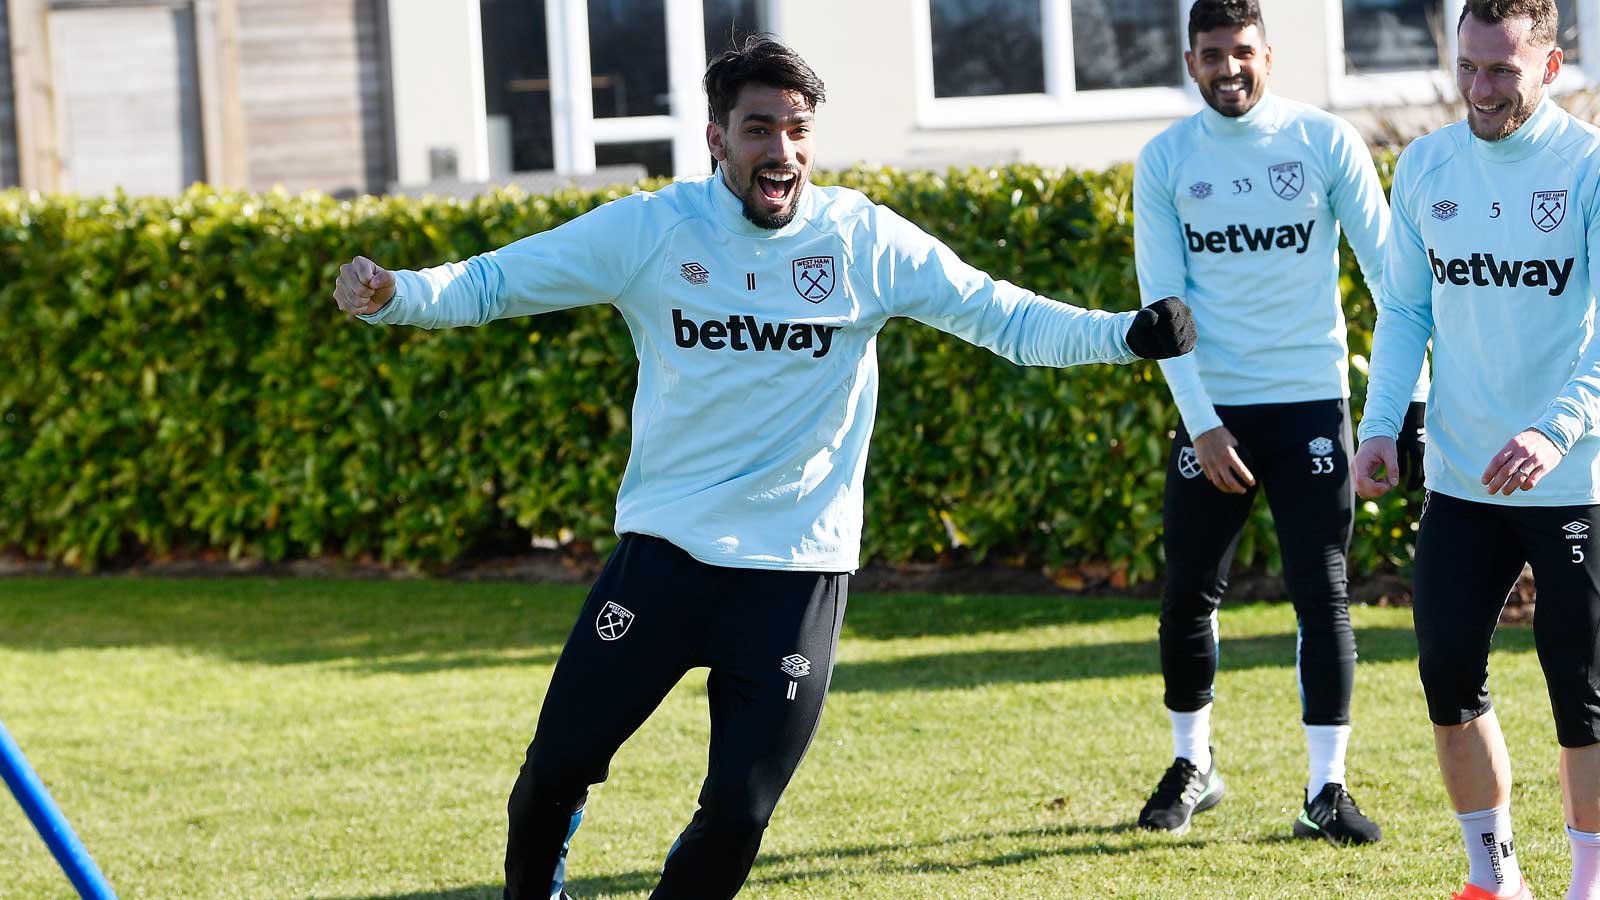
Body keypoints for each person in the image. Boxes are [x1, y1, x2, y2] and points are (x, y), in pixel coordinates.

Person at [332, 36, 1195, 900]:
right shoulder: (654, 230)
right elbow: (498, 281)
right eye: (757, 130)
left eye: (796, 129)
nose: (780, 152)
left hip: (796, 572)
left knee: (740, 813)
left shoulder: (863, 240)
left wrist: (1124, 336)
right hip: (666, 555)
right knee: (555, 769)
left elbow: (1004, 319)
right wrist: (396, 293)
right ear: (717, 141)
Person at [1130, 0, 1426, 844]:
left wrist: (1406, 408)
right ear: (1190, 62)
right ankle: (1194, 765)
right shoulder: (1165, 160)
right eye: (1212, 54)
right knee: (1187, 596)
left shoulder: (1325, 142)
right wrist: (1202, 424)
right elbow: (1165, 307)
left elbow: (1391, 284)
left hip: (1308, 403)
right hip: (1214, 412)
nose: (1229, 69)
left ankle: (1325, 791)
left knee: (1322, 596)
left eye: (1243, 52)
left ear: (1271, 55)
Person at [1355, 1, 1600, 897]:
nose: (1479, 89)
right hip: (1462, 481)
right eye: (1468, 66)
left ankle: (1588, 885)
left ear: (1551, 66)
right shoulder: (1425, 167)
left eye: (1501, 70)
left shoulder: (1588, 169)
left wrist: (1553, 428)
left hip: (1576, 482)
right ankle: (1494, 879)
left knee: (1584, 696)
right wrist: (1382, 424)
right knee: (1447, 676)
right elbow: (1407, 310)